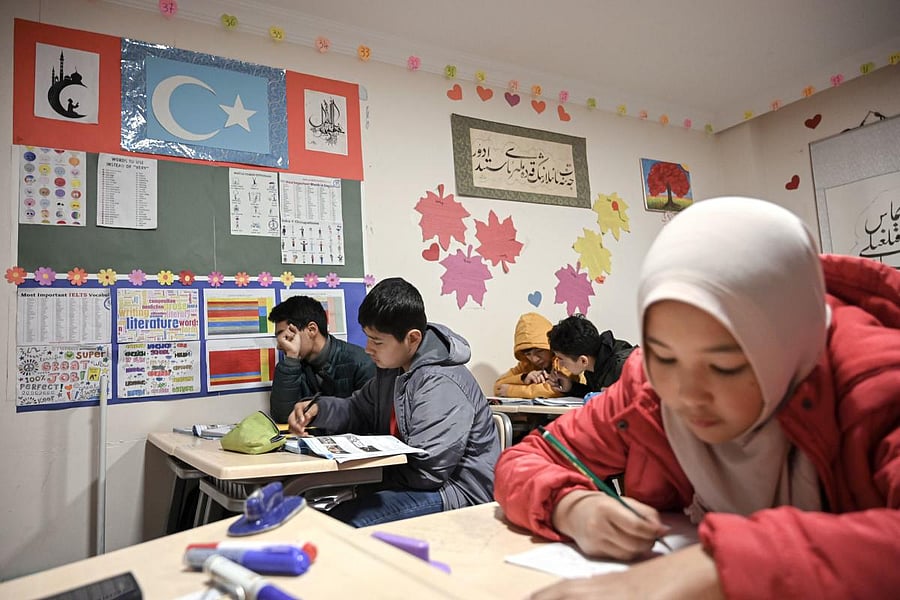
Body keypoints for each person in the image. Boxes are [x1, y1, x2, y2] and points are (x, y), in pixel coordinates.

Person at [494, 197, 900, 599]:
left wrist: (720, 568)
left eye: (725, 368)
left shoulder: (875, 383)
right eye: (664, 357)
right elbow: (526, 459)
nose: (685, 396)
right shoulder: (647, 390)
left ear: (792, 348)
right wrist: (572, 507)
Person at [288, 277, 499, 527]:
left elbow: (428, 471)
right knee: (326, 516)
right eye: (367, 337)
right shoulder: (393, 369)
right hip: (416, 483)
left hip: (458, 494)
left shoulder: (441, 382)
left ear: (412, 338)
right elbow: (357, 408)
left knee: (341, 524)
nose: (368, 349)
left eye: (377, 341)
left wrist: (364, 483)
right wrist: (319, 409)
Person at [268, 295, 375, 423]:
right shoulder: (294, 364)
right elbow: (282, 417)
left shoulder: (360, 363)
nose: (280, 345)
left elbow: (369, 419)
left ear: (311, 330)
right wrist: (291, 361)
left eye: (286, 336)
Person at [493, 312, 581, 399]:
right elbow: (498, 387)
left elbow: (557, 389)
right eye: (528, 354)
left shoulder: (564, 360)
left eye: (539, 351)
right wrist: (524, 378)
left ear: (550, 346)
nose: (534, 359)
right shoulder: (527, 364)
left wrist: (511, 390)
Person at [546, 314, 635, 397]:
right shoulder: (595, 363)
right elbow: (595, 393)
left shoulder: (626, 365)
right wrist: (571, 387)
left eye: (561, 359)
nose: (560, 364)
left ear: (583, 360)